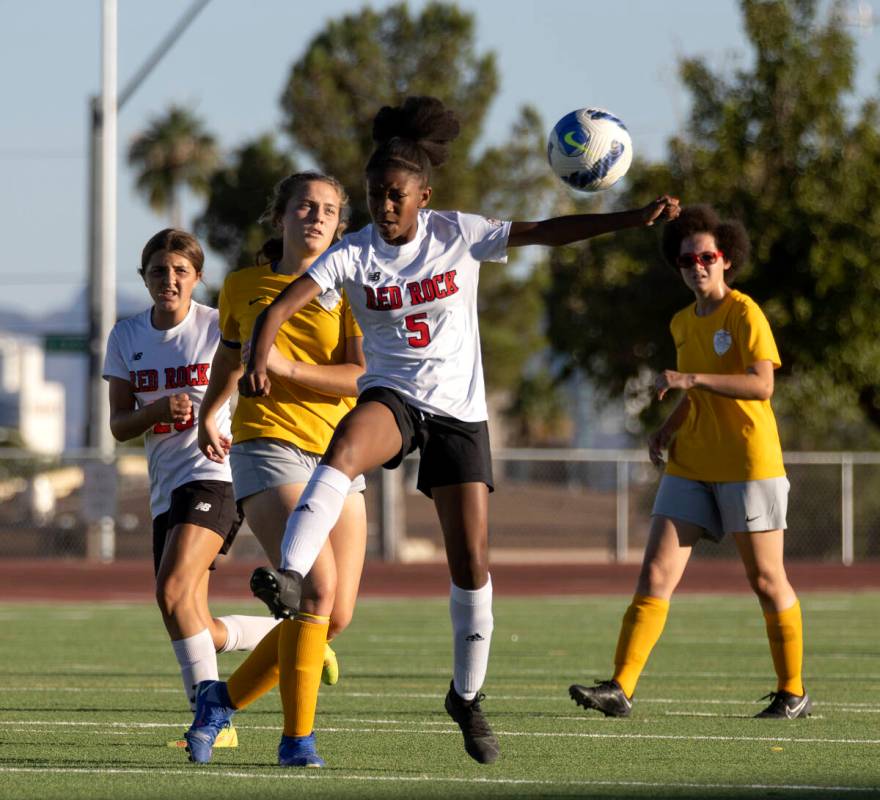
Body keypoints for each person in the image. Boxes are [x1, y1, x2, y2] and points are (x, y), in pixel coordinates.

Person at [204, 95, 680, 767]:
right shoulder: (353, 253)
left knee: (472, 564)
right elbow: (281, 305)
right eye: (374, 196)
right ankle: (286, 573)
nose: (385, 207)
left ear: (424, 195)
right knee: (345, 447)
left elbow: (544, 231)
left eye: (396, 195)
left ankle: (466, 695)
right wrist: (258, 355)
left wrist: (631, 218)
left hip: (459, 412)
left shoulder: (458, 233)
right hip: (395, 400)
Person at [569, 204, 809, 720]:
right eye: (686, 260)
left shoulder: (744, 313)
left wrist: (691, 380)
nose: (697, 266)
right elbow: (695, 394)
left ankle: (793, 690)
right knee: (655, 574)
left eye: (706, 256)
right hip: (691, 463)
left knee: (767, 581)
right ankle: (620, 688)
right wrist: (668, 427)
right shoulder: (681, 322)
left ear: (726, 258)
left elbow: (761, 385)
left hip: (748, 464)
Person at [184, 172, 367, 767]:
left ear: (341, 223)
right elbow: (230, 362)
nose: (316, 217)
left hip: (339, 454)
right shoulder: (243, 285)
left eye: (329, 210)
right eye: (305, 206)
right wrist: (213, 412)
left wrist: (285, 366)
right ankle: (297, 741)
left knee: (333, 617)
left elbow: (361, 378)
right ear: (281, 215)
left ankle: (221, 699)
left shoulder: (357, 285)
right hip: (268, 446)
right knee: (315, 589)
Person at [103, 228, 280, 749]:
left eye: (181, 270)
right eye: (159, 270)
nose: (170, 279)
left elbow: (249, 383)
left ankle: (211, 720)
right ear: (145, 277)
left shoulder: (217, 326)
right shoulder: (126, 337)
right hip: (165, 489)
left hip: (217, 474)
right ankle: (291, 638)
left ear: (198, 278)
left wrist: (209, 417)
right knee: (188, 613)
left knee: (171, 589)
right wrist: (159, 409)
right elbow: (118, 426)